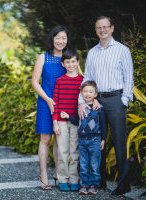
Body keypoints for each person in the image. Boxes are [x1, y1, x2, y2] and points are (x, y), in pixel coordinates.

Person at [78, 16, 134, 195]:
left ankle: (124, 184)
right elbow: (87, 78)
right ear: (96, 31)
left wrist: (124, 100)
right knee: (96, 139)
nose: (102, 30)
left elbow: (129, 77)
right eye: (98, 28)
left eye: (105, 27)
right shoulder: (93, 52)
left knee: (119, 142)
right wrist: (84, 101)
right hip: (96, 101)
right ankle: (99, 181)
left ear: (112, 28)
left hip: (116, 100)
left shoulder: (122, 50)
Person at [31, 25, 71, 190]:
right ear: (52, 39)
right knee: (45, 139)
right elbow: (34, 82)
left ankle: (58, 173)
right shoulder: (43, 57)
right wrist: (47, 99)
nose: (61, 41)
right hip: (46, 102)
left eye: (64, 38)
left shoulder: (69, 58)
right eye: (58, 37)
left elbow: (78, 78)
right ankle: (44, 175)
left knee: (59, 139)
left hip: (63, 103)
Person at [61, 81, 107, 195]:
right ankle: (84, 185)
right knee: (84, 164)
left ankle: (94, 185)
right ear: (81, 93)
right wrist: (68, 117)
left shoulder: (99, 108)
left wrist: (103, 139)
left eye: (91, 92)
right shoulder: (80, 108)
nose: (88, 94)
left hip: (95, 140)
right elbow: (77, 121)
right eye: (85, 91)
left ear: (95, 94)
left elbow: (104, 124)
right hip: (82, 140)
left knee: (94, 164)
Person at [52, 49, 83, 191]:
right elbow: (55, 103)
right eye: (67, 62)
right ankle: (62, 179)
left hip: (76, 121)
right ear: (63, 64)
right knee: (62, 151)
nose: (70, 64)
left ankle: (75, 179)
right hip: (61, 122)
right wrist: (55, 122)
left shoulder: (82, 81)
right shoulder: (59, 81)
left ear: (77, 62)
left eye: (73, 61)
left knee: (74, 151)